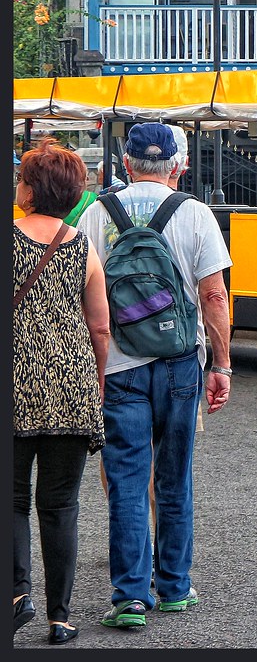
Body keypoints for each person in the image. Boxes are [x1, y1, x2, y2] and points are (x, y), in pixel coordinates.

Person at [78, 122, 233, 630]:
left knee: (125, 479)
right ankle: (174, 588)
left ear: (125, 164)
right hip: (178, 363)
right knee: (174, 476)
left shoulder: (99, 214)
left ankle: (128, 598)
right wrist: (222, 363)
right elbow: (213, 297)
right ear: (176, 165)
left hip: (120, 365)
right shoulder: (195, 214)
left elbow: (87, 297)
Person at [14, 137, 109, 646]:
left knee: (11, 500)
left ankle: (17, 594)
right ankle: (60, 617)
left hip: (14, 384)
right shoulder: (82, 246)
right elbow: (100, 328)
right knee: (60, 504)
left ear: (29, 191)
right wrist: (93, 385)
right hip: (70, 386)